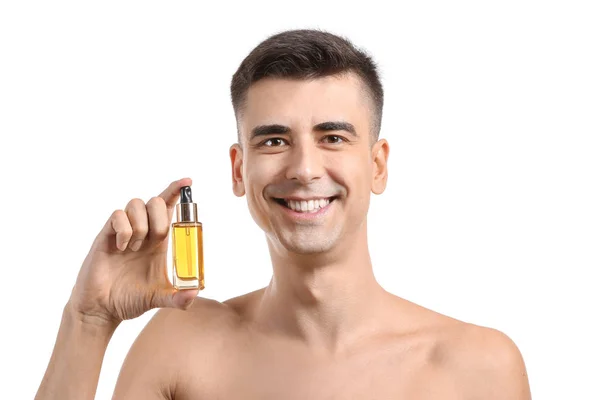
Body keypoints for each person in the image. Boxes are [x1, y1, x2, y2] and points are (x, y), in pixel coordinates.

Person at [36, 29, 532, 399]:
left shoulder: (477, 368)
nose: (304, 168)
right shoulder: (182, 347)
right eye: (274, 140)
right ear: (238, 169)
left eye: (332, 137)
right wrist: (89, 319)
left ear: (377, 165)